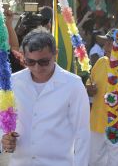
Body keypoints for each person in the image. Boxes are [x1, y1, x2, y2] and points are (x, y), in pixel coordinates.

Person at [0, 27, 90, 165]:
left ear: (55, 54)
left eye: (43, 62)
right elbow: (2, 121)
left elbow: (82, 134)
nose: (37, 68)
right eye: (30, 62)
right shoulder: (13, 82)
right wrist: (4, 139)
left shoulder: (73, 85)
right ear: (23, 56)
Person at [87, 28, 118, 166]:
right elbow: (90, 85)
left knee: (116, 163)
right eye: (106, 42)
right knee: (92, 161)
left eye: (110, 43)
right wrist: (89, 89)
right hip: (96, 123)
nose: (105, 46)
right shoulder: (100, 62)